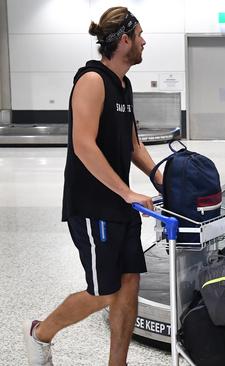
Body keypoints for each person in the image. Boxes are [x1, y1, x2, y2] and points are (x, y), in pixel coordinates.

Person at [23, 7, 162, 366]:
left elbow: (133, 145)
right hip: (93, 206)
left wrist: (158, 176)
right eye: (140, 35)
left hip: (121, 203)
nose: (145, 41)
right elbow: (83, 144)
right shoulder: (92, 80)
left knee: (130, 283)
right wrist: (127, 192)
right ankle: (40, 333)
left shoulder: (123, 83)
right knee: (104, 291)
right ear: (124, 40)